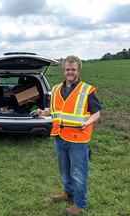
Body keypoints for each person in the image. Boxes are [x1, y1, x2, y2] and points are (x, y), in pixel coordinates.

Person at [37, 55, 102, 216]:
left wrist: (88, 122)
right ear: (63, 70)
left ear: (78, 70)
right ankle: (69, 193)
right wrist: (42, 113)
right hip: (60, 136)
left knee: (78, 172)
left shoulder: (87, 90)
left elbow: (97, 113)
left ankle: (79, 203)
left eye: (73, 69)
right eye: (67, 69)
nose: (70, 72)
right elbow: (53, 111)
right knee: (64, 169)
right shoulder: (56, 89)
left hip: (78, 139)